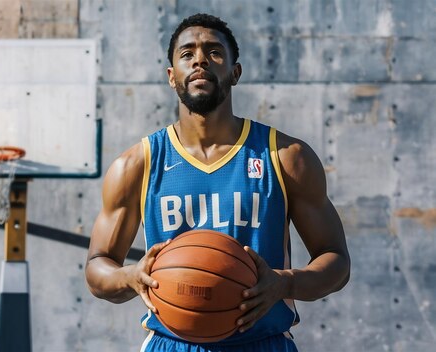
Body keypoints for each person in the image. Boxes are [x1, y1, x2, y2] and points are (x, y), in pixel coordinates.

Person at [85, 13, 350, 352]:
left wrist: (283, 283)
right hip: (172, 343)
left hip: (262, 342)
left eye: (214, 52)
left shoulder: (284, 157)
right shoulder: (138, 164)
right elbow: (97, 267)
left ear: (235, 72)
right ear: (171, 76)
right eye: (187, 54)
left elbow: (336, 261)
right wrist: (131, 276)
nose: (199, 60)